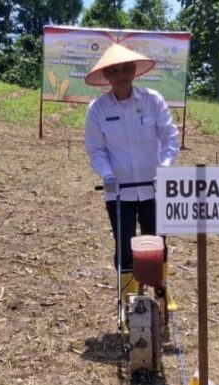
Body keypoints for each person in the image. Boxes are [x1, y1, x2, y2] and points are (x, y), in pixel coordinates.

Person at [84, 43, 180, 314]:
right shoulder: (98, 109)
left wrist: (165, 167)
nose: (121, 74)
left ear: (135, 71)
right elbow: (95, 149)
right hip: (119, 192)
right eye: (115, 70)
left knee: (156, 242)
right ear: (106, 76)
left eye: (126, 68)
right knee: (124, 244)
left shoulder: (152, 100)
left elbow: (169, 137)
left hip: (153, 188)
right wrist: (107, 174)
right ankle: (127, 299)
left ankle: (161, 291)